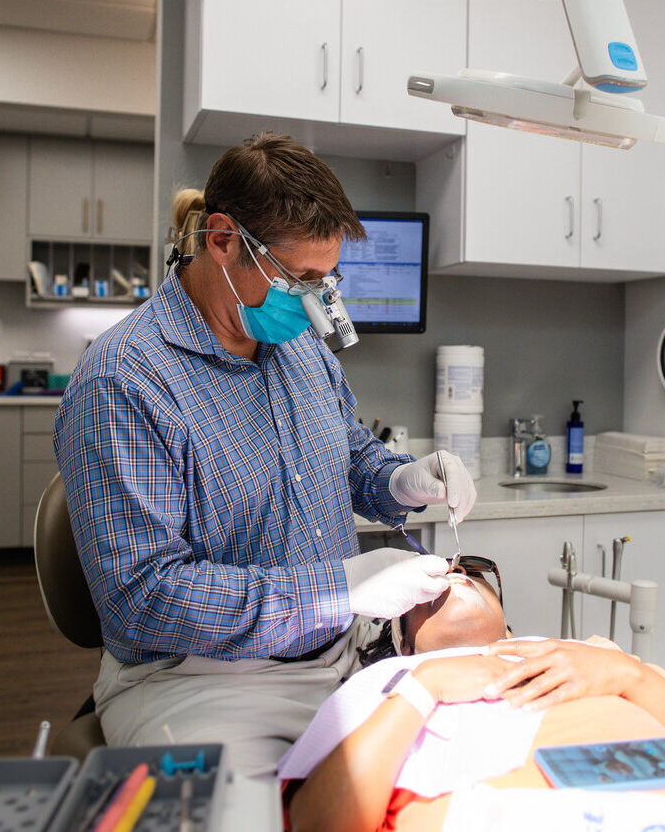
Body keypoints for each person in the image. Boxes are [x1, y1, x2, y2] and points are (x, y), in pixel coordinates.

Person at [53, 133, 476, 773]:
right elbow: (145, 599)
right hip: (201, 681)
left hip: (339, 653)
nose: (317, 300)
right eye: (299, 278)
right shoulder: (124, 381)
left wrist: (404, 482)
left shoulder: (299, 349)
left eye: (326, 277)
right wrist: (335, 590)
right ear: (222, 240)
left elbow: (351, 457)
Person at [282, 562, 665, 832]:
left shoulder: (596, 657)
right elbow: (321, 825)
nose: (452, 572)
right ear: (403, 641)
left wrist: (629, 675)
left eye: (467, 569)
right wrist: (426, 686)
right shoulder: (391, 682)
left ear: (508, 626)